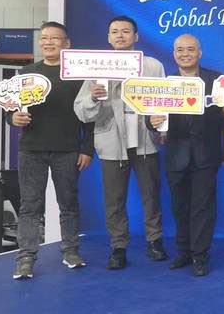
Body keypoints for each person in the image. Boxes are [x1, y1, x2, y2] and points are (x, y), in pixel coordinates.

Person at [74, 15, 167, 269]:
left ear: (136, 36)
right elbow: (81, 111)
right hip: (111, 143)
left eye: (125, 31)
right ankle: (118, 246)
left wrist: (163, 127)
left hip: (145, 141)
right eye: (115, 31)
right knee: (114, 200)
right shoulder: (96, 68)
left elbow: (164, 101)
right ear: (108, 37)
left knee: (151, 195)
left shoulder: (153, 66)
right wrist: (93, 97)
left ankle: (155, 240)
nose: (120, 36)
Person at [10, 21, 94, 280]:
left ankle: (71, 251)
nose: (48, 42)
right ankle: (26, 258)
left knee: (68, 203)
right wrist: (13, 118)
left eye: (54, 38)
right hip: (31, 149)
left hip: (68, 150)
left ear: (67, 43)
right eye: (44, 38)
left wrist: (87, 149)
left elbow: (88, 117)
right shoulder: (26, 73)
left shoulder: (78, 75)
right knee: (30, 206)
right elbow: (10, 110)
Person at [147, 34, 224, 276]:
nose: (185, 54)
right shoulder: (166, 83)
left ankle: (200, 256)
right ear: (174, 54)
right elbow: (151, 116)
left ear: (199, 53)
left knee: (203, 207)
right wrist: (152, 122)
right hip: (176, 154)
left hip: (207, 154)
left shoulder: (215, 80)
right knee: (179, 206)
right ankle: (184, 252)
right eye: (180, 50)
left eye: (190, 49)